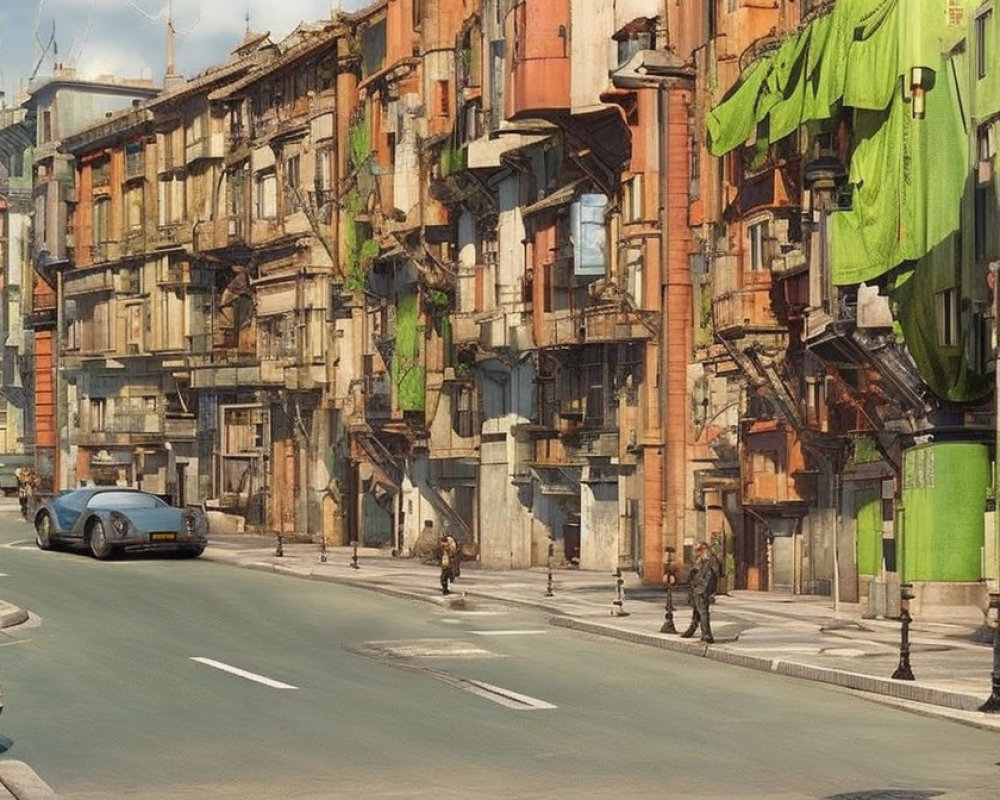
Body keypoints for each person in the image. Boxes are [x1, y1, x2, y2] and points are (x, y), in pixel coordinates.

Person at [681, 541, 720, 643]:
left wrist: (709, 591)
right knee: (696, 612)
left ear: (703, 549)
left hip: (702, 590)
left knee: (703, 612)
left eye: (697, 550)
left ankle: (706, 634)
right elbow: (693, 575)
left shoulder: (710, 560)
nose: (695, 553)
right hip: (697, 588)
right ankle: (691, 630)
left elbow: (712, 577)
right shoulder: (700, 560)